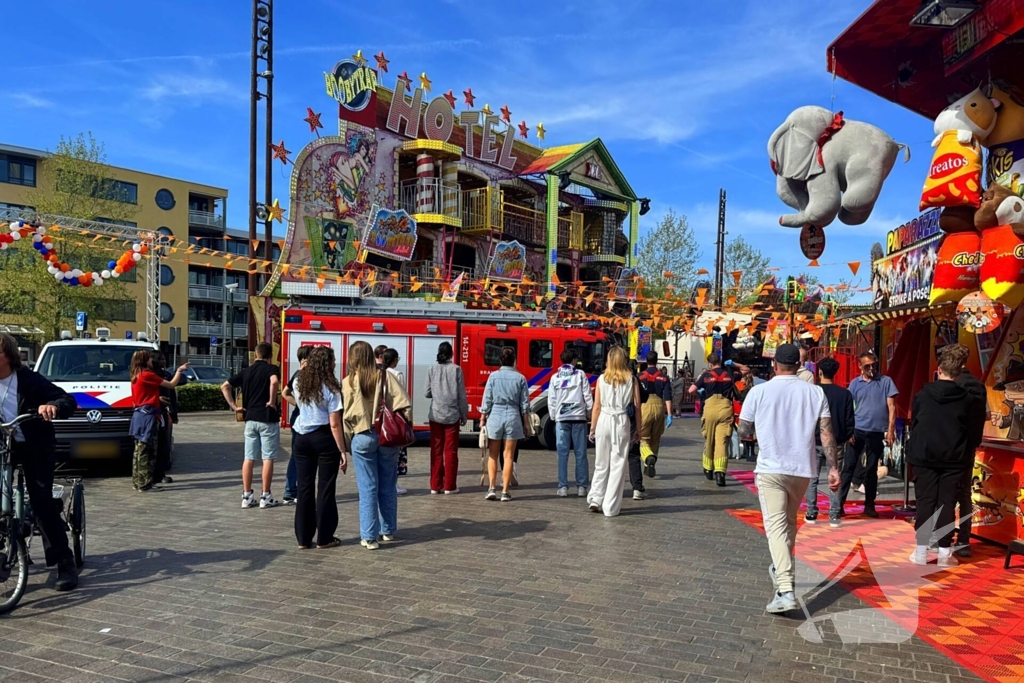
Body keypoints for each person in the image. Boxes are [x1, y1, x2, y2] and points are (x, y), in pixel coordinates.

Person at [738, 343, 839, 615]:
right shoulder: (815, 392)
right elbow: (826, 433)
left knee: (776, 527)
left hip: (772, 466)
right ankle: (780, 569)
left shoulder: (759, 392)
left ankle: (785, 589)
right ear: (800, 365)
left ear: (774, 364)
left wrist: (758, 430)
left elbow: (744, 429)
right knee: (789, 524)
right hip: (802, 468)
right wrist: (833, 468)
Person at [0, 333, 78, 590]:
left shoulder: (29, 380)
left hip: (35, 446)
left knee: (41, 501)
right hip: (3, 448)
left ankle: (64, 561)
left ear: (8, 356)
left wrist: (52, 406)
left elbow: (66, 399)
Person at [906, 344, 986, 567]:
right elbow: (973, 431)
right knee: (947, 503)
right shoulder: (967, 399)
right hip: (954, 457)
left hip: (924, 454)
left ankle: (921, 551)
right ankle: (943, 552)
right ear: (958, 371)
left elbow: (916, 423)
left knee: (925, 502)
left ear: (939, 370)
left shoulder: (923, 394)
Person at [343, 341, 411, 549]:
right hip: (385, 437)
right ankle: (388, 530)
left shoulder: (348, 382)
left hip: (362, 436)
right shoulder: (385, 376)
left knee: (368, 488)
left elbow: (345, 416)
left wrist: (346, 445)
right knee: (388, 484)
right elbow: (404, 404)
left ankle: (369, 536)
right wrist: (404, 427)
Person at [290, 346, 348, 549]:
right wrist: (342, 450)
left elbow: (291, 396)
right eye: (332, 360)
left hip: (302, 437)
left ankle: (303, 538)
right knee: (325, 488)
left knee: (304, 487)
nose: (334, 364)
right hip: (324, 437)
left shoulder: (299, 381)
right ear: (327, 363)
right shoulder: (331, 387)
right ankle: (325, 537)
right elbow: (335, 423)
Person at [221, 342, 283, 509]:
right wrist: (271, 401)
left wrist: (234, 406)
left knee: (249, 458)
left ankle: (247, 496)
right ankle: (266, 495)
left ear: (255, 355)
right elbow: (274, 382)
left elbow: (224, 386)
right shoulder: (271, 369)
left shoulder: (246, 372)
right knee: (267, 458)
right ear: (270, 356)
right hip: (267, 418)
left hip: (250, 418)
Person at [840, 351, 898, 518]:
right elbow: (848, 407)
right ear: (860, 366)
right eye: (867, 366)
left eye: (874, 364)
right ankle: (839, 504)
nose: (871, 368)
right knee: (849, 467)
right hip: (858, 429)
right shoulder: (855, 383)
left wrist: (891, 430)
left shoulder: (886, 381)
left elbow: (892, 407)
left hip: (876, 431)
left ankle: (869, 505)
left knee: (871, 469)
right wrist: (848, 430)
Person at [588, 346, 642, 517]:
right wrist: (638, 428)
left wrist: (593, 427)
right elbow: (637, 406)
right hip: (621, 421)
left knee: (601, 462)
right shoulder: (632, 380)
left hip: (604, 419)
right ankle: (610, 507)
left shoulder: (602, 379)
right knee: (618, 464)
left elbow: (596, 406)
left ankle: (596, 498)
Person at [130, 349, 188, 492]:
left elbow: (142, 396)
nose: (152, 361)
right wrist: (179, 371)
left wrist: (156, 399)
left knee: (138, 451)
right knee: (147, 451)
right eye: (149, 358)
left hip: (138, 415)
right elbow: (171, 384)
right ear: (144, 360)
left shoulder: (136, 374)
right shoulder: (147, 374)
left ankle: (137, 482)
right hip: (148, 416)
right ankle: (146, 484)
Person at [806, 357, 855, 526]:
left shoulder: (812, 392)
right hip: (837, 442)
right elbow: (850, 419)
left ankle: (811, 511)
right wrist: (846, 435)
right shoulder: (845, 394)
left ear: (819, 372)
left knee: (812, 477)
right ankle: (834, 514)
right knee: (834, 477)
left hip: (813, 440)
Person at [480, 346, 529, 502]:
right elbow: (525, 404)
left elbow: (487, 399)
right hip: (513, 416)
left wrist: (483, 418)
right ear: (514, 360)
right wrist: (526, 424)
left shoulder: (493, 377)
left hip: (495, 415)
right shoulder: (521, 378)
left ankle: (491, 488)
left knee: (493, 455)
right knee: (508, 456)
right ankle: (505, 492)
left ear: (500, 360)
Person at [690, 354, 744, 486]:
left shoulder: (706, 376)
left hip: (709, 408)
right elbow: (746, 370)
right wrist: (734, 365)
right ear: (720, 362)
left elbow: (691, 390)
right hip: (725, 408)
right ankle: (720, 473)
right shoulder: (729, 374)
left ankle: (708, 468)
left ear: (710, 364)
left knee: (709, 440)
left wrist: (701, 393)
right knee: (722, 442)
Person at [954, 361, 988, 557]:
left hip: (952, 445)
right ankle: (964, 539)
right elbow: (983, 415)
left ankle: (944, 538)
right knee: (965, 494)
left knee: (948, 493)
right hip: (969, 446)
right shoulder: (978, 385)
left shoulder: (954, 385)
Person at [549, 347, 593, 498]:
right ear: (574, 360)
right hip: (579, 418)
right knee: (580, 453)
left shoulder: (555, 377)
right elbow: (587, 396)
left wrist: (554, 416)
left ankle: (562, 487)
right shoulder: (580, 375)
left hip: (562, 419)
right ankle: (582, 487)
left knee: (562, 454)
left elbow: (552, 399)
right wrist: (589, 413)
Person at [426, 341, 468, 495]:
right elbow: (461, 396)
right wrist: (464, 414)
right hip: (452, 416)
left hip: (436, 414)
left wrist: (436, 393)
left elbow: (426, 392)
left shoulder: (431, 369)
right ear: (451, 353)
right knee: (451, 451)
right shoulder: (457, 370)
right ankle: (449, 486)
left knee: (435, 451)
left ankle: (435, 486)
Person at [281, 344, 313, 505]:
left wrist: (297, 403)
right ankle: (293, 490)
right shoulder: (303, 375)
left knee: (296, 455)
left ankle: (291, 490)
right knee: (299, 456)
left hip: (297, 417)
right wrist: (300, 405)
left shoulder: (296, 375)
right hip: (303, 419)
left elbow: (285, 392)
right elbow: (285, 393)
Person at [637, 352, 673, 478]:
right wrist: (669, 414)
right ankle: (649, 466)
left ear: (646, 361)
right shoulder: (664, 377)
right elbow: (668, 397)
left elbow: (635, 396)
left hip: (644, 407)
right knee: (655, 439)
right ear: (657, 361)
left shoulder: (639, 376)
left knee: (643, 439)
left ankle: (648, 457)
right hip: (659, 407)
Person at [382, 348, 410, 496]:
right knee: (396, 453)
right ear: (394, 360)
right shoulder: (398, 375)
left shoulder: (379, 373)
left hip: (382, 418)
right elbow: (402, 398)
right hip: (394, 418)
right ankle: (394, 484)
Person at [153, 352, 182, 485]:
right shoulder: (150, 375)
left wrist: (174, 413)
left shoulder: (166, 375)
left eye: (164, 359)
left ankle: (161, 473)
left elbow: (172, 394)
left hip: (163, 413)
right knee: (152, 446)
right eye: (161, 359)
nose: (164, 362)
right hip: (151, 413)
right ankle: (151, 474)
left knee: (163, 445)